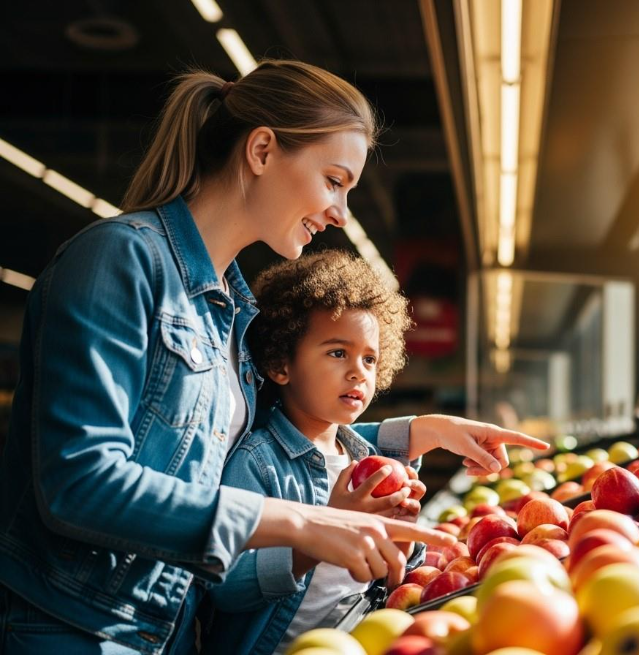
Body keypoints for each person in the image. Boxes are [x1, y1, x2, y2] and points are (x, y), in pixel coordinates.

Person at [0, 59, 547, 654]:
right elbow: (79, 481)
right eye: (334, 180)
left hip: (167, 634)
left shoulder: (232, 309)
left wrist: (414, 432)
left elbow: (259, 437)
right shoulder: (119, 262)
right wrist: (300, 523)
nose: (341, 211)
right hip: (73, 629)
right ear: (261, 151)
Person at [202, 250, 425, 654]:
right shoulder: (258, 462)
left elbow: (376, 582)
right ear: (280, 363)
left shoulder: (366, 459)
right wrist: (320, 534)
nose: (359, 371)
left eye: (370, 359)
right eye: (338, 353)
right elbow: (226, 588)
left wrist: (400, 545)